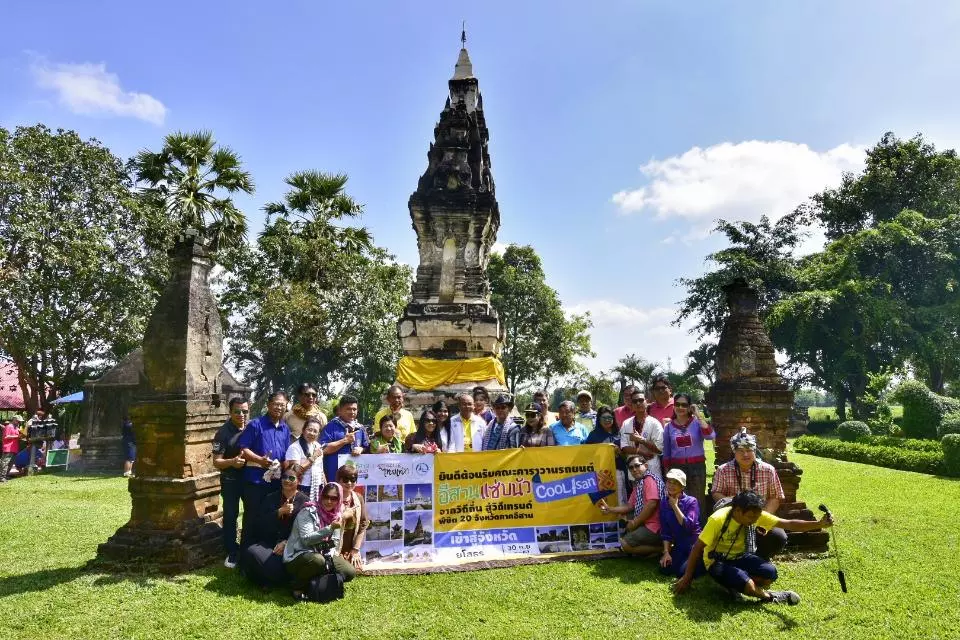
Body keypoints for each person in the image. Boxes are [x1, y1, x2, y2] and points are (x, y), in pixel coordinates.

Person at [673, 490, 833, 605]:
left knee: (770, 574)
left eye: (757, 516)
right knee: (747, 584)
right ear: (737, 511)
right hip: (716, 562)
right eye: (751, 517)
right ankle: (772, 597)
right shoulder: (718, 520)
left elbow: (788, 524)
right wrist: (687, 577)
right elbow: (697, 547)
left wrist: (819, 524)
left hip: (740, 557)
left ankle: (734, 583)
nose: (755, 520)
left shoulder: (755, 514)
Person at [711, 427, 788, 559]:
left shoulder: (768, 470)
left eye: (749, 450)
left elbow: (776, 497)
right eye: (740, 451)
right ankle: (732, 559)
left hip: (759, 516)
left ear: (754, 450)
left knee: (779, 537)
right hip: (735, 516)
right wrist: (733, 507)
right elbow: (716, 493)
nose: (745, 454)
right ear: (734, 452)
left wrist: (763, 518)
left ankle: (761, 558)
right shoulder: (723, 470)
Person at [237, 390, 291, 549]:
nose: (279, 407)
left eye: (282, 405)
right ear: (268, 405)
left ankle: (264, 552)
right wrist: (259, 460)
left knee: (271, 517)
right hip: (255, 481)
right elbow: (243, 449)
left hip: (275, 482)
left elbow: (286, 455)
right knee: (251, 517)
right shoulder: (256, 424)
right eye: (276, 404)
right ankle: (245, 555)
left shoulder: (285, 429)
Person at [284, 481, 356, 601]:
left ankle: (314, 580)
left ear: (339, 500)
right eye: (326, 496)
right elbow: (307, 540)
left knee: (349, 572)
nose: (329, 501)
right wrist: (330, 528)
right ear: (321, 495)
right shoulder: (307, 512)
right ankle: (296, 586)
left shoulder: (337, 514)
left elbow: (335, 542)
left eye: (333, 498)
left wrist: (328, 556)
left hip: (322, 554)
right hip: (298, 555)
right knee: (317, 561)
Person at [240, 466, 308, 588]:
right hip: (270, 546)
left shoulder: (305, 502)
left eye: (291, 478)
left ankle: (270, 579)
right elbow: (259, 523)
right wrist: (279, 512)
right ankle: (274, 577)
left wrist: (287, 543)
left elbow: (306, 532)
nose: (287, 480)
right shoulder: (271, 498)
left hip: (293, 548)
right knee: (251, 552)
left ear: (299, 480)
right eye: (284, 477)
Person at [662, 392, 714, 519]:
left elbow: (710, 435)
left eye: (684, 405)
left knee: (698, 500)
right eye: (677, 404)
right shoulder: (669, 427)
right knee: (679, 500)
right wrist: (667, 472)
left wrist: (698, 414)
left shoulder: (696, 423)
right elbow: (667, 452)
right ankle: (682, 530)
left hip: (697, 467)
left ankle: (699, 532)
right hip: (677, 468)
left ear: (689, 406)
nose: (680, 407)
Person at [597, 455, 663, 555]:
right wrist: (610, 509)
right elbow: (629, 506)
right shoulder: (640, 483)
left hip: (656, 526)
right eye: (631, 468)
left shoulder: (649, 480)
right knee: (623, 517)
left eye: (637, 466)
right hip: (646, 523)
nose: (634, 469)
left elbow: (651, 504)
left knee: (624, 545)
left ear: (645, 465)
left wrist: (635, 523)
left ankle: (662, 549)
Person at [212, 397, 249, 568]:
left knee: (252, 513)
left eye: (245, 411)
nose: (242, 415)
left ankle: (248, 547)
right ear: (230, 412)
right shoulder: (223, 433)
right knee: (231, 515)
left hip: (250, 479)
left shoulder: (251, 428)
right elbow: (216, 462)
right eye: (237, 411)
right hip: (231, 480)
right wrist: (232, 461)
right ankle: (232, 551)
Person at [658, 469, 702, 577]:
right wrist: (666, 552)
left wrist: (674, 506)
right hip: (679, 545)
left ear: (682, 487)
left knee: (682, 572)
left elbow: (688, 526)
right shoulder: (664, 502)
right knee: (665, 568)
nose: (671, 485)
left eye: (676, 483)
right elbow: (665, 531)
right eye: (669, 482)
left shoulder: (692, 501)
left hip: (694, 544)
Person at [319, 395, 369, 485]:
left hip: (353, 479)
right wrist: (344, 441)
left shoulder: (360, 428)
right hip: (334, 476)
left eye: (354, 409)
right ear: (340, 410)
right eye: (348, 409)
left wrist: (361, 449)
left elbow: (366, 446)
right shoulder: (331, 426)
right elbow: (323, 449)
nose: (352, 412)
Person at [619, 391, 664, 479]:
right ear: (631, 404)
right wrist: (641, 452)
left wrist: (642, 440)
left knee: (653, 492)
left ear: (646, 402)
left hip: (651, 468)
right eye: (635, 401)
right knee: (636, 492)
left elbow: (659, 449)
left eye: (641, 400)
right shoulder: (626, 423)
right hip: (634, 470)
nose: (638, 403)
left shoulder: (655, 423)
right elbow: (624, 447)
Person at [585, 406, 625, 501]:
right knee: (605, 499)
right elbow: (587, 454)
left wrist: (619, 451)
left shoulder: (619, 433)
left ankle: (621, 515)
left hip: (618, 470)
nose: (607, 420)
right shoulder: (593, 435)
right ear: (599, 419)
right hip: (601, 473)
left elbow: (625, 453)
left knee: (620, 498)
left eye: (610, 418)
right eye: (604, 418)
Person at [336, 464, 370, 572]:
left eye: (353, 479)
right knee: (343, 571)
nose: (349, 483)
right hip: (334, 545)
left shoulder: (358, 498)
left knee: (356, 570)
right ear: (338, 480)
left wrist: (355, 549)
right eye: (345, 479)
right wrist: (343, 516)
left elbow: (363, 524)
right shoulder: (331, 497)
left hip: (350, 545)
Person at [285, 416, 324, 500]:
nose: (312, 433)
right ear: (303, 430)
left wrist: (325, 484)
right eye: (309, 430)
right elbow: (295, 472)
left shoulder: (318, 446)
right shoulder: (294, 447)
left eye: (315, 431)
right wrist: (313, 457)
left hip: (318, 486)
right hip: (302, 487)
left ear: (318, 434)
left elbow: (320, 469)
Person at [1, 417, 20, 483]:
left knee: (10, 464)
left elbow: (18, 436)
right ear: (14, 420)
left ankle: (5, 476)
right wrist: (17, 436)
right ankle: (2, 477)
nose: (19, 422)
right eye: (18, 421)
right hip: (8, 448)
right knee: (5, 463)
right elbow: (6, 437)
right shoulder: (9, 426)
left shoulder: (17, 428)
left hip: (14, 449)